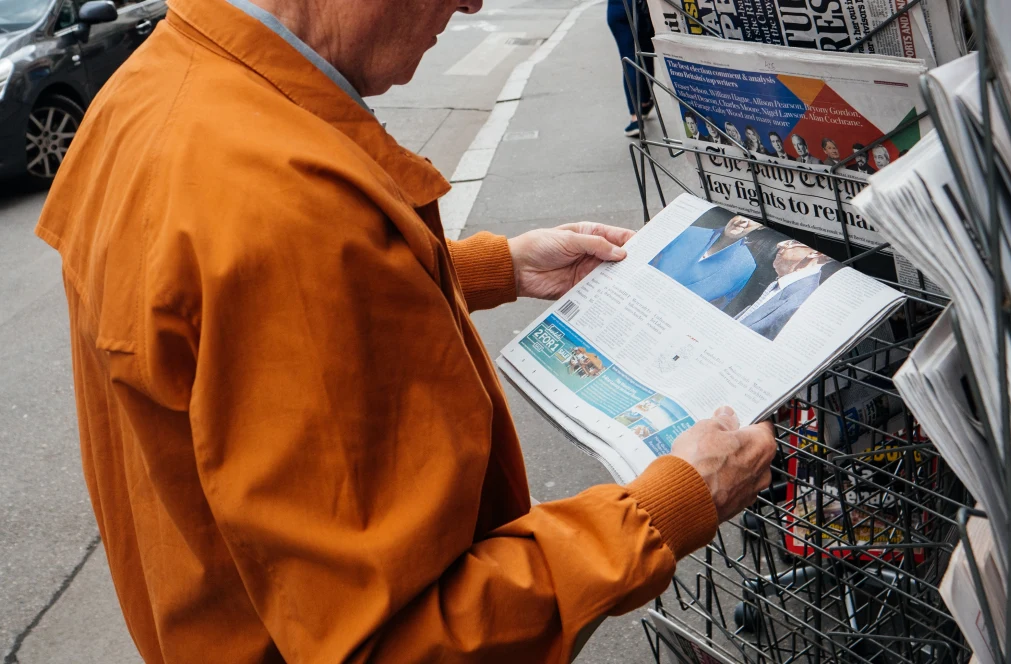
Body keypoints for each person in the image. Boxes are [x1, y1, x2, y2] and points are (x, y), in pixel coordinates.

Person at [33, 0, 778, 661]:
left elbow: (222, 319)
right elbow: (401, 642)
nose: (472, 2)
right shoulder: (289, 210)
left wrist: (497, 267)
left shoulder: (153, 85)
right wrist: (668, 505)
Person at [650, 215, 765, 309]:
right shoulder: (690, 232)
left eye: (753, 220)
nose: (743, 221)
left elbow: (719, 304)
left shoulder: (746, 265)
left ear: (760, 227)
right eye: (741, 214)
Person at [735, 240, 841, 340]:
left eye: (793, 242)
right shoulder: (781, 284)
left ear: (815, 253)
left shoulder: (802, 303)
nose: (780, 244)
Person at [608, 0, 656, 137]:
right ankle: (645, 102)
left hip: (616, 8)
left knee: (629, 60)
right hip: (641, 8)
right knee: (646, 55)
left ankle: (635, 118)